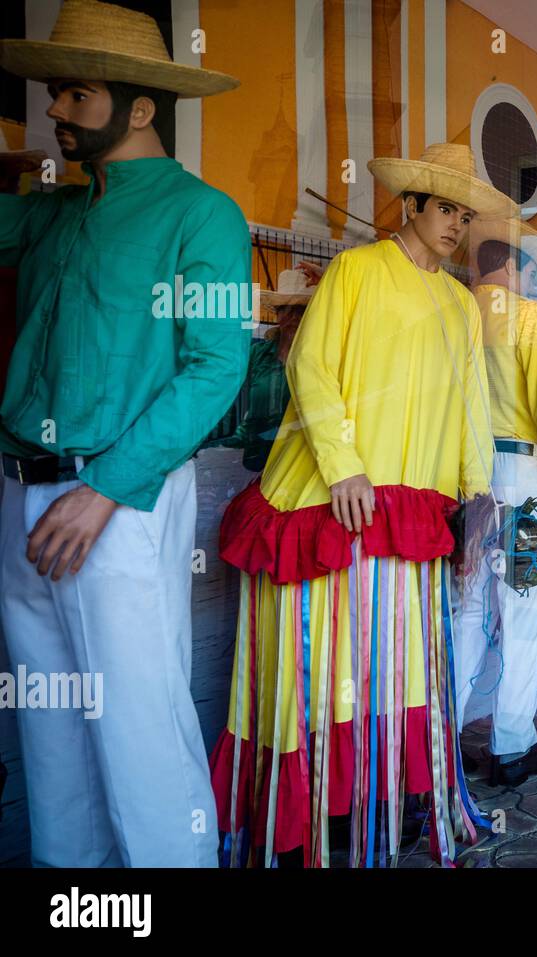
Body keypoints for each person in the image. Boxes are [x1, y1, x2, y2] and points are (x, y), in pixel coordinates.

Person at [212, 142, 513, 867]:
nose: (455, 226)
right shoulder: (357, 270)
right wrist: (343, 464)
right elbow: (308, 363)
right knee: (322, 670)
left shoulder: (460, 305)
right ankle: (313, 818)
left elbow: (474, 409)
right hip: (333, 505)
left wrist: (479, 500)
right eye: (446, 209)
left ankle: (381, 802)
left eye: (465, 215)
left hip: (413, 519)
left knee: (395, 669)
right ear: (410, 205)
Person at [0, 0, 246, 867]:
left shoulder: (201, 214)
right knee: (52, 732)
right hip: (20, 490)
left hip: (120, 501)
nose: (56, 111)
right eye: (54, 94)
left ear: (141, 107)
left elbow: (217, 368)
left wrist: (105, 487)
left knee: (141, 731)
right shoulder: (56, 210)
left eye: (77, 95)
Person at [453, 217, 537, 787]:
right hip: (525, 475)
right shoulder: (530, 319)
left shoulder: (456, 312)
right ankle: (512, 745)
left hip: (470, 476)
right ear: (512, 266)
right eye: (531, 274)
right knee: (524, 606)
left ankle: (441, 741)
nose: (533, 287)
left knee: (467, 610)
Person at [205, 263, 322, 472]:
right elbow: (232, 406)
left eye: (301, 310)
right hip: (255, 458)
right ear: (277, 315)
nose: (293, 316)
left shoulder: (321, 357)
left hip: (302, 463)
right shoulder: (257, 355)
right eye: (286, 308)